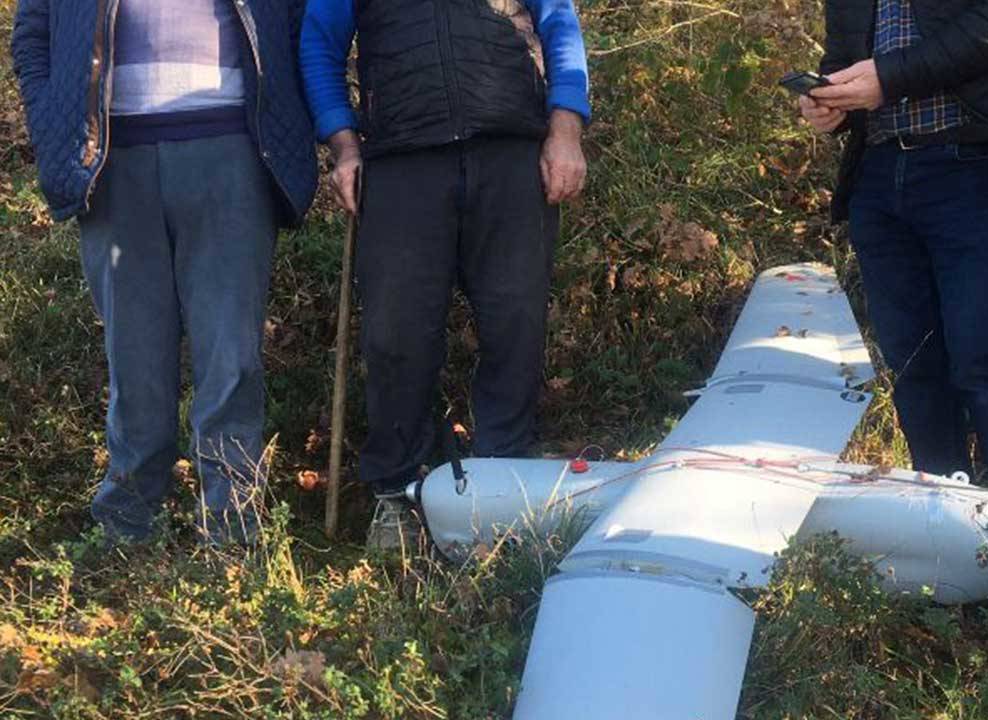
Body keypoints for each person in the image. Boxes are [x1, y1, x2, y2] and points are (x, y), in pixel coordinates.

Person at [11, 0, 319, 543]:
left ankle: (232, 520)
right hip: (110, 158)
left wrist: (286, 117)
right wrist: (51, 116)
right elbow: (34, 35)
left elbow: (297, 25)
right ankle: (127, 518)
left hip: (232, 149)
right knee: (133, 352)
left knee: (229, 350)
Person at [300, 0, 591, 549]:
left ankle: (503, 485)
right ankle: (397, 493)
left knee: (516, 320)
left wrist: (566, 129)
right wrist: (343, 143)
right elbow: (319, 45)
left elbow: (560, 24)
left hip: (512, 150)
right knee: (395, 333)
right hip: (399, 160)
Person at [799, 0, 988, 493]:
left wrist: (889, 78)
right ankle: (940, 508)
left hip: (971, 166)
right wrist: (829, 102)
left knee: (982, 357)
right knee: (913, 362)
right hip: (877, 174)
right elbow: (843, 57)